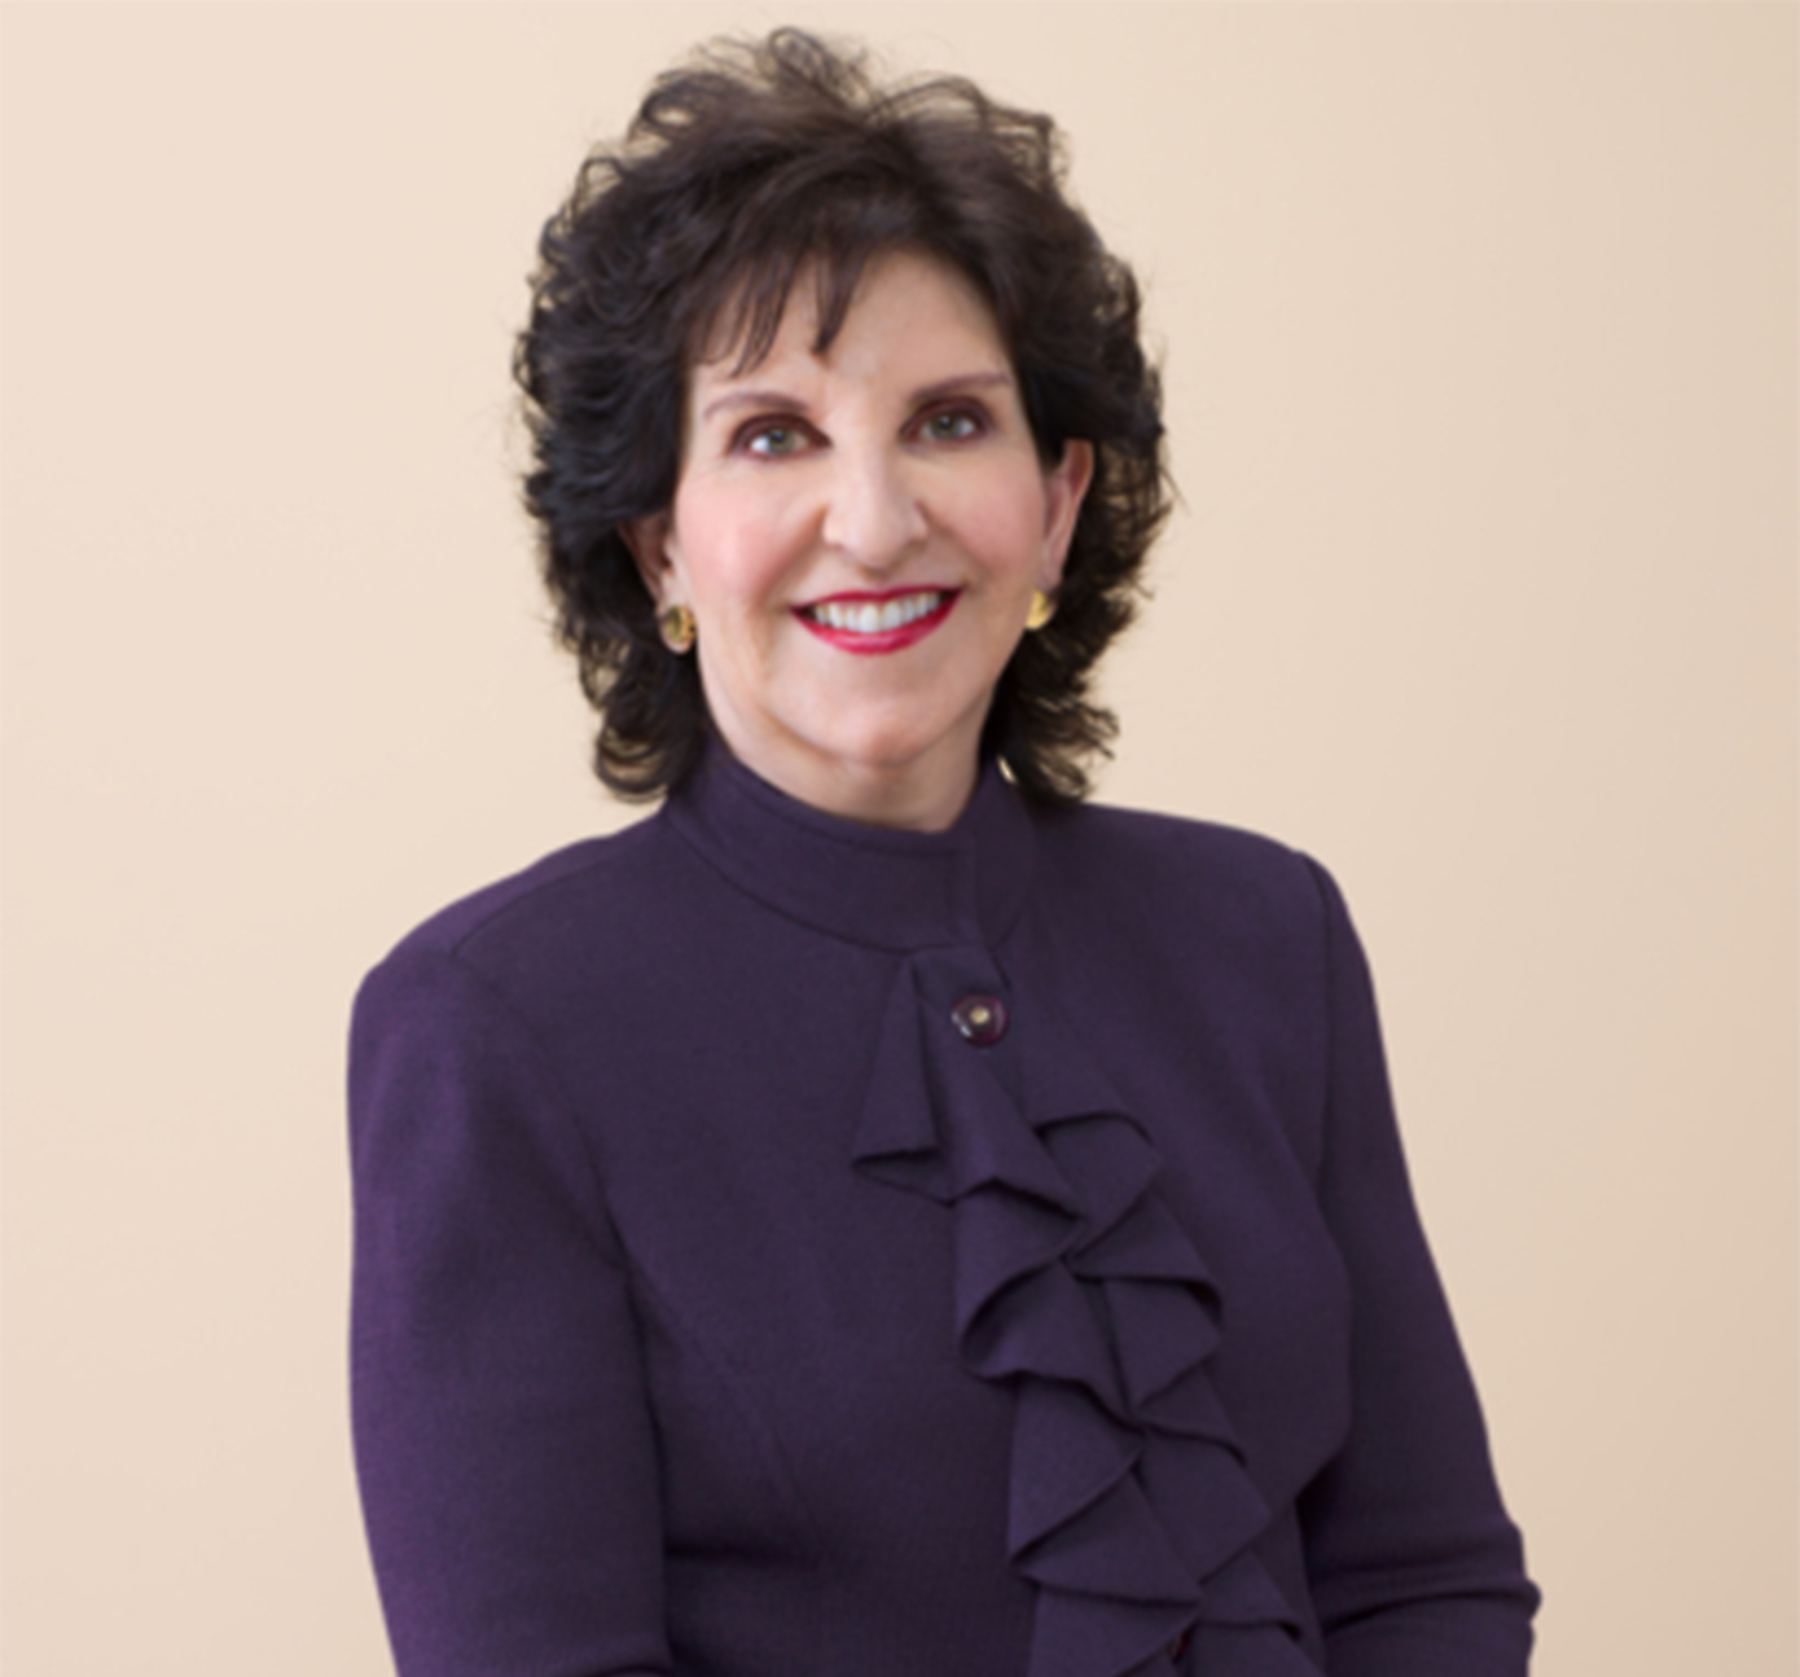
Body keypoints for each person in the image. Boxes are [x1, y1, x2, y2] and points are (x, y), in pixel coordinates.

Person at [348, 30, 1538, 1677]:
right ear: (658, 541)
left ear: (1054, 505)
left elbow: (1427, 1575)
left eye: (949, 420)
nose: (877, 516)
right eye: (773, 434)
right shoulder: (493, 1029)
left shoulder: (1270, 935)